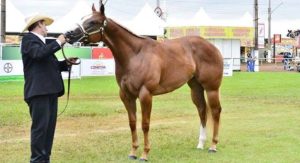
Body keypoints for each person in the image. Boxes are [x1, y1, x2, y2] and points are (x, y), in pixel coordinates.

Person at [20, 13, 77, 163]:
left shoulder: (42, 43)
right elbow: (39, 55)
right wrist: (59, 41)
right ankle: (38, 160)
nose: (46, 28)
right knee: (40, 130)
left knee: (48, 130)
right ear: (39, 24)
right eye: (45, 24)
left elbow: (49, 64)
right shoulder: (28, 40)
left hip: (49, 91)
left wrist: (65, 64)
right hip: (39, 92)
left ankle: (45, 159)